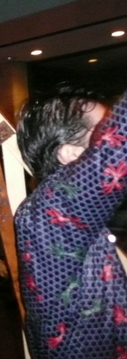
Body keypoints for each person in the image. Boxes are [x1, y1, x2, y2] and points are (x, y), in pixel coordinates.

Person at [14, 83, 127, 359]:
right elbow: (119, 144)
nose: (108, 139)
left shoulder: (72, 218)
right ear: (72, 155)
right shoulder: (51, 208)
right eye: (101, 133)